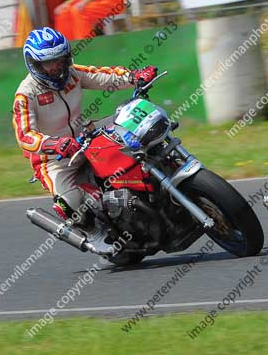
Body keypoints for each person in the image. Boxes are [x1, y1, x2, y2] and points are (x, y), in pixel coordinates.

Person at [12, 27, 158, 230]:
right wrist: (55, 144)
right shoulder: (26, 94)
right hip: (54, 159)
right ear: (35, 64)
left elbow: (104, 76)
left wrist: (134, 76)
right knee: (71, 206)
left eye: (60, 59)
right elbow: (25, 136)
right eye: (48, 62)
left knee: (132, 121)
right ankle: (98, 231)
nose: (56, 66)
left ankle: (156, 174)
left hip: (86, 136)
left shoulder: (72, 73)